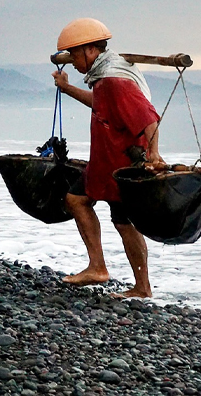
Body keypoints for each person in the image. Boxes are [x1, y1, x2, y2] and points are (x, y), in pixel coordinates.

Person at [52, 18, 163, 297]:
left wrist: (155, 154)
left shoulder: (114, 80)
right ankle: (104, 269)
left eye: (75, 55)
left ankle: (136, 284)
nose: (74, 63)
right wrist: (66, 89)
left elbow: (148, 118)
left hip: (123, 164)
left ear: (91, 51)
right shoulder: (104, 78)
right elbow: (99, 103)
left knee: (124, 223)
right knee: (79, 201)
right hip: (105, 162)